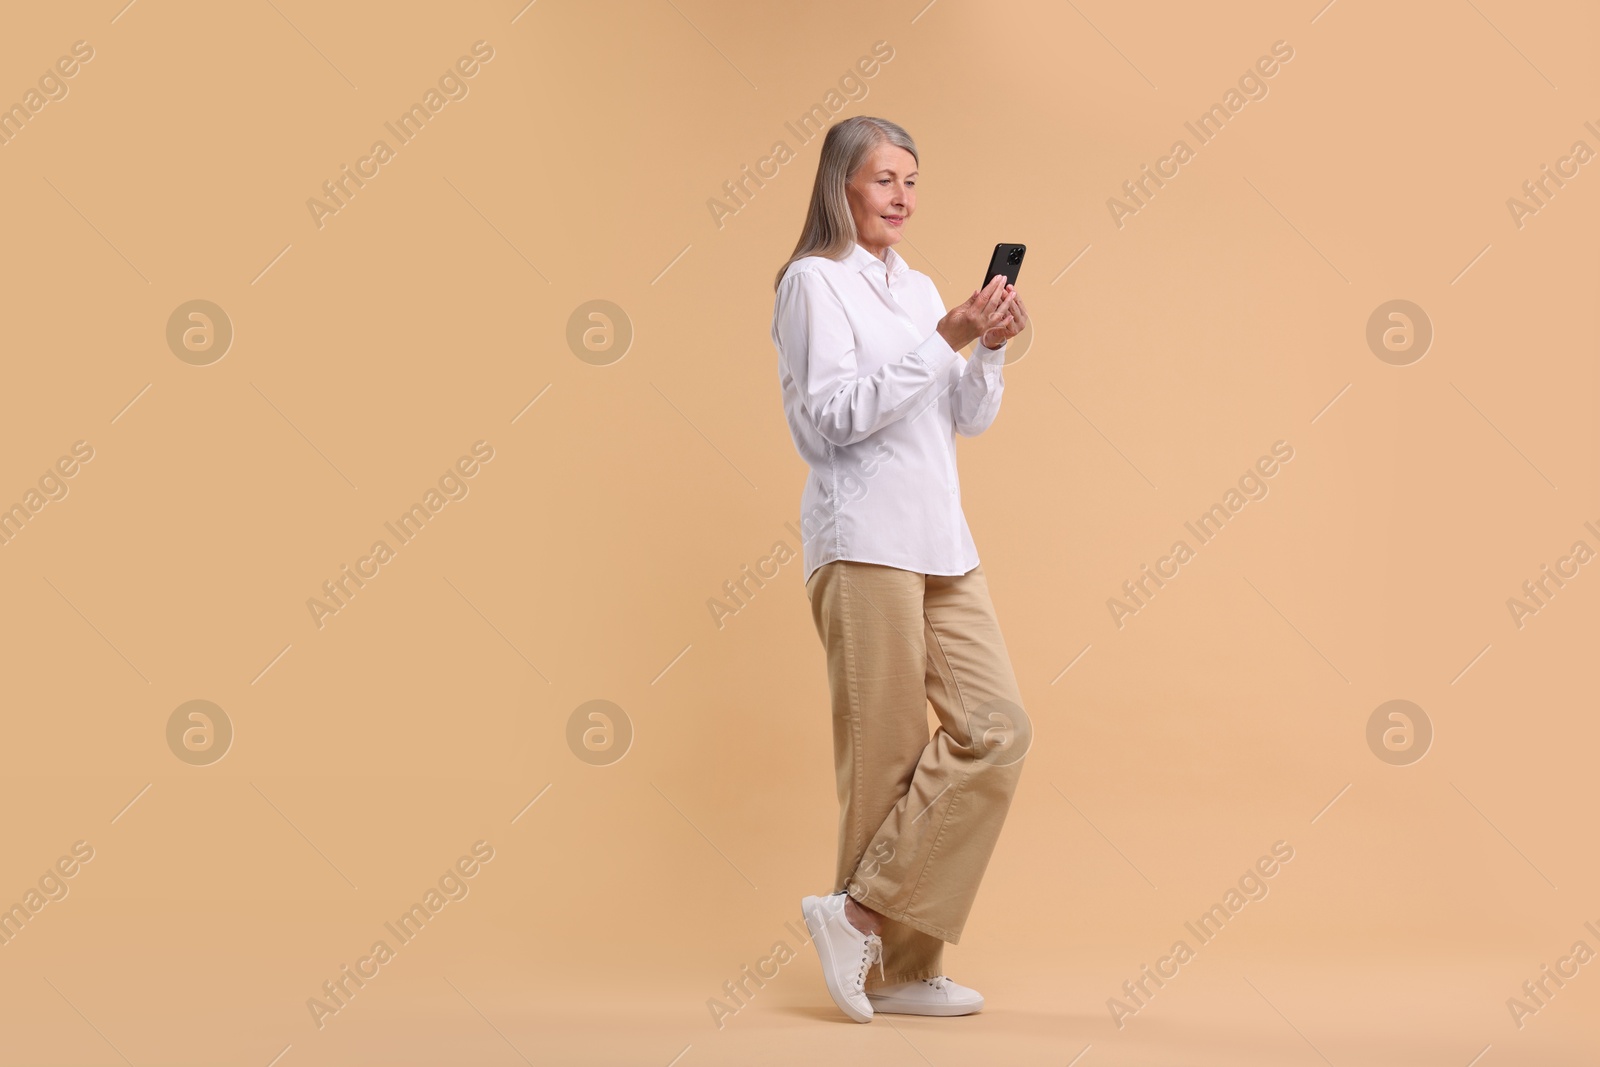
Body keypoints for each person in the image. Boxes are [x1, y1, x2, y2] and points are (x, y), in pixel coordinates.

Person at [771, 115, 1032, 1023]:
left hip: (940, 539)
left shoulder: (917, 284)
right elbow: (831, 419)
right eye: (885, 180)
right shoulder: (812, 284)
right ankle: (899, 969)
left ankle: (860, 917)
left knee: (995, 726)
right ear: (842, 184)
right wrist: (946, 336)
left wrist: (986, 343)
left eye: (913, 182)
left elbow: (962, 416)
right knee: (884, 759)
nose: (903, 198)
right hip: (863, 536)